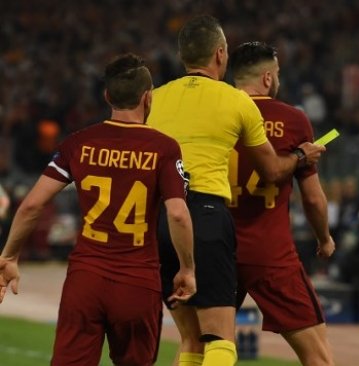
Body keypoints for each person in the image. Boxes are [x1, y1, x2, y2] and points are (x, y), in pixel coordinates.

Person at [147, 16, 326, 366]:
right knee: (228, 345)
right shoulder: (243, 105)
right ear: (219, 54)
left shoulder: (155, 100)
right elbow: (283, 176)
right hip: (236, 233)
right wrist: (303, 155)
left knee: (190, 343)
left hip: (168, 223)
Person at [0, 53, 196, 366]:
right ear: (148, 98)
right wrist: (187, 268)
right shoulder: (164, 147)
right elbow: (177, 213)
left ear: (107, 96)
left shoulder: (78, 143)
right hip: (137, 282)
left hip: (85, 279)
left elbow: (33, 205)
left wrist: (9, 256)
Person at [230, 41, 336, 365]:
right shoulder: (293, 120)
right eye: (277, 73)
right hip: (270, 252)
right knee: (317, 355)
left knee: (196, 346)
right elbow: (314, 199)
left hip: (217, 246)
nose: (278, 79)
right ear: (266, 78)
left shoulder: (215, 114)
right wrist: (324, 238)